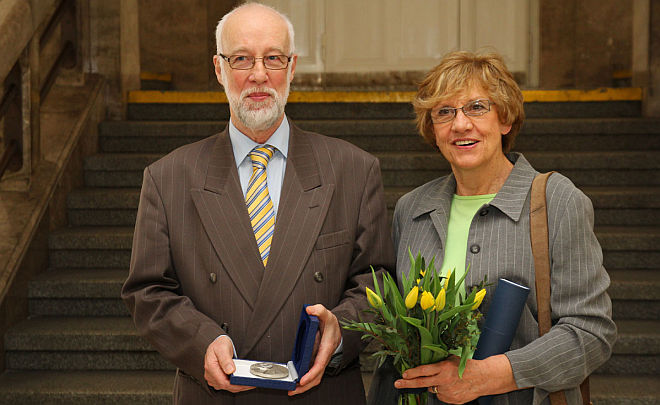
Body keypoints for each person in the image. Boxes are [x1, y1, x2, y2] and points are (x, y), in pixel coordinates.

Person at [121, 3, 395, 404]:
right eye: (242, 59)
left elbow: (378, 282)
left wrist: (342, 329)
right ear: (219, 69)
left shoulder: (354, 169)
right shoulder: (168, 178)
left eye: (273, 58)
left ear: (292, 67)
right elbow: (148, 292)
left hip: (322, 393)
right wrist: (202, 342)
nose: (259, 74)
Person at [370, 51, 616, 405]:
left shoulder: (555, 201)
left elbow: (592, 332)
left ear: (505, 119)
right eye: (444, 112)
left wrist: (493, 375)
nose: (460, 124)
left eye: (476, 107)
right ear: (433, 130)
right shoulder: (412, 209)